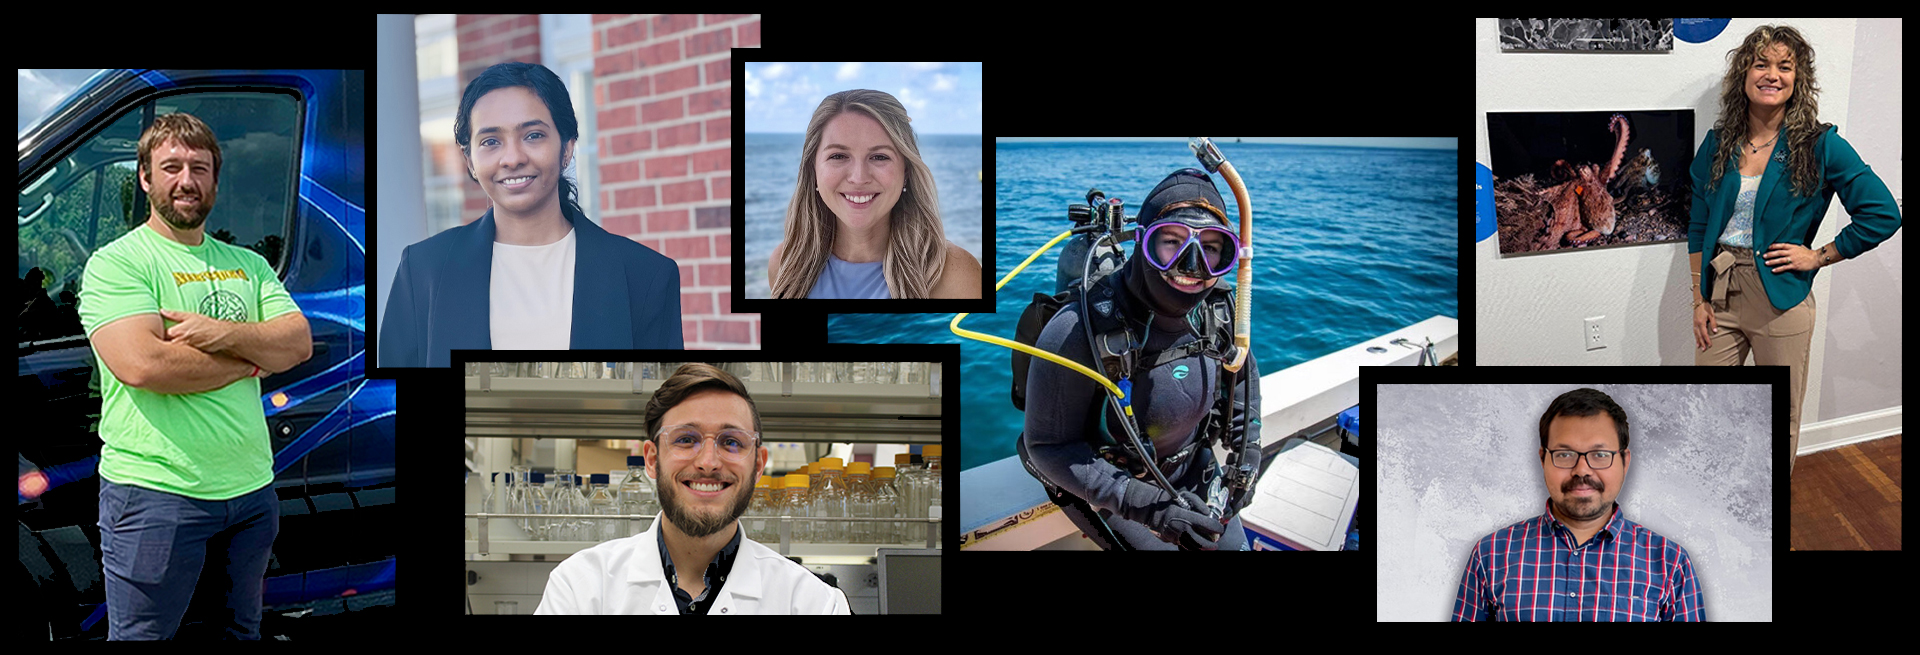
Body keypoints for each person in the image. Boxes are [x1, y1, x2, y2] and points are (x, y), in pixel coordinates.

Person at [79, 112, 312, 639]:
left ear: (214, 181)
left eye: (200, 169)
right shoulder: (119, 263)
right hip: (156, 495)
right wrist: (252, 357)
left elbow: (296, 343)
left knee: (238, 634)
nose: (187, 181)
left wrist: (219, 333)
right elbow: (144, 365)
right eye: (172, 167)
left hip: (251, 493)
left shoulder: (250, 264)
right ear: (145, 178)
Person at [1687, 25, 1901, 476]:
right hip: (1720, 290)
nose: (1772, 74)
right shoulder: (1718, 143)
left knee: (1777, 414)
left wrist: (1819, 255)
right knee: (1707, 405)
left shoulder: (1820, 144)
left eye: (1785, 66)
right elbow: (1700, 224)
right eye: (1761, 64)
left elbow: (1882, 213)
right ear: (1744, 73)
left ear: (1798, 77)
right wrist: (1698, 298)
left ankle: (1768, 502)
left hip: (1781, 297)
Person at [1021, 168, 1262, 550]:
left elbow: (1243, 377)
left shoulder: (1219, 310)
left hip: (1192, 465)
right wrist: (1149, 508)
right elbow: (1047, 446)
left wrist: (1249, 452)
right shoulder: (1077, 329)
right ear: (1142, 242)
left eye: (1211, 248)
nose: (1191, 266)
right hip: (1116, 483)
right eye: (1171, 242)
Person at [381, 62, 681, 367]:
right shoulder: (423, 270)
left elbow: (662, 396)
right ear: (469, 160)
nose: (512, 158)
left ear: (567, 148)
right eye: (491, 142)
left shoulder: (646, 276)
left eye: (533, 135)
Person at [535, 364, 849, 614]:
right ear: (652, 459)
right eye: (686, 439)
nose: (708, 462)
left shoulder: (813, 602)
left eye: (731, 442)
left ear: (757, 465)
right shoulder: (580, 587)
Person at [1452, 388, 1703, 622]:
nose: (1582, 470)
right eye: (1564, 454)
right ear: (1543, 459)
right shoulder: (1491, 554)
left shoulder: (1670, 562)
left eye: (1600, 455)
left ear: (1624, 462)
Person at [767, 89, 980, 299]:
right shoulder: (785, 265)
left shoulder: (954, 273)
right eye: (838, 156)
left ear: (906, 171)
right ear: (813, 168)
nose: (859, 178)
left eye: (879, 157)